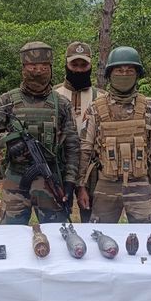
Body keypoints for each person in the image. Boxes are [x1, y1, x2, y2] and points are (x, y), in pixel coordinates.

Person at [0, 41, 79, 224]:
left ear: (51, 68)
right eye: (33, 67)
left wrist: (69, 181)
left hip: (50, 178)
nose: (38, 71)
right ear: (23, 68)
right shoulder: (7, 100)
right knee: (10, 235)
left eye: (44, 67)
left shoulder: (61, 103)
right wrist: (9, 140)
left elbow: (72, 147)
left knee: (57, 233)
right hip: (15, 179)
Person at [77, 46, 151, 223]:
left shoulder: (150, 107)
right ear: (110, 74)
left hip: (141, 183)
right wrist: (81, 186)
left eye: (129, 71)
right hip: (106, 183)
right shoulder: (96, 108)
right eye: (119, 70)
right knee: (99, 235)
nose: (124, 74)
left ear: (137, 74)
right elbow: (85, 149)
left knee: (146, 236)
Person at [53, 42, 106, 222]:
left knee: (93, 219)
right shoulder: (53, 95)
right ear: (66, 65)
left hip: (92, 169)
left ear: (91, 66)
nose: (78, 69)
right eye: (74, 65)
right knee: (59, 218)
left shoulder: (101, 97)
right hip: (61, 166)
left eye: (83, 65)